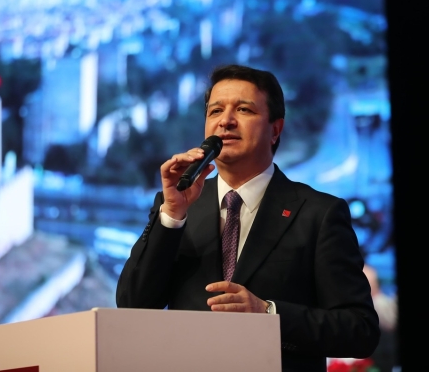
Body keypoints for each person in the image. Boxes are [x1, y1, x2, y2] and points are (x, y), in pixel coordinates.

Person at [116, 64, 379, 372]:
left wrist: (269, 315)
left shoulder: (318, 213)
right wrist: (172, 215)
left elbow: (359, 329)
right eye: (215, 111)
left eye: (243, 110)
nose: (225, 121)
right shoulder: (178, 206)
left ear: (275, 130)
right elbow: (133, 304)